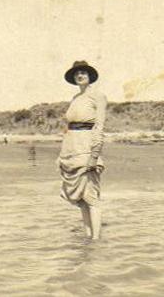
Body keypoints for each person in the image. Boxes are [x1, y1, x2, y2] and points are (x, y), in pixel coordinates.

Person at [56, 60, 107, 240]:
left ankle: (96, 240)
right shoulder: (75, 99)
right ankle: (87, 238)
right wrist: (62, 154)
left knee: (91, 197)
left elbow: (99, 127)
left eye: (83, 73)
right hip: (71, 150)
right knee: (81, 200)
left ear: (89, 76)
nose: (80, 76)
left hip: (87, 149)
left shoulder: (98, 96)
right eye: (77, 73)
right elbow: (68, 128)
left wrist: (94, 156)